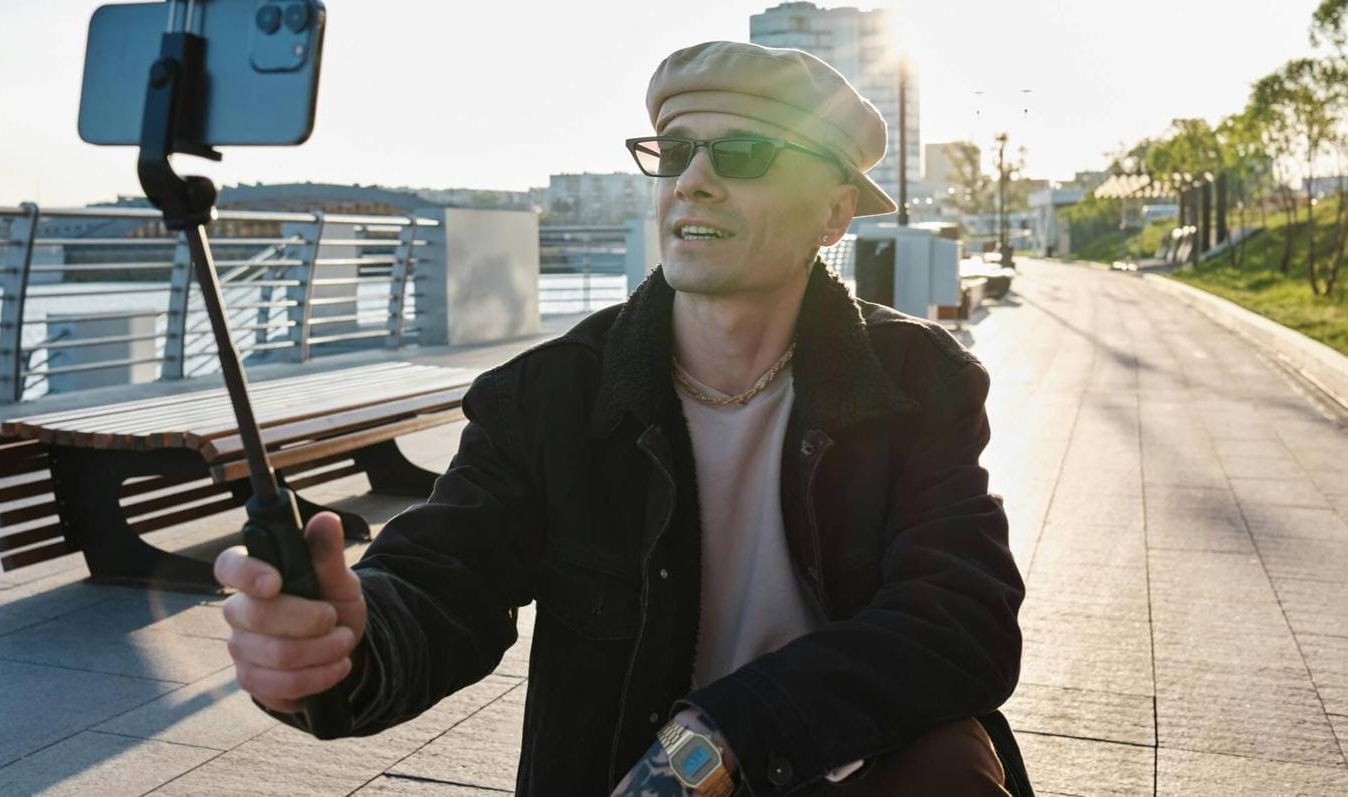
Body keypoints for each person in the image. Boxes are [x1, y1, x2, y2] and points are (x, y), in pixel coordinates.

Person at [215, 40, 1025, 796]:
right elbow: (441, 580)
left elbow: (963, 616)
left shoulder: (917, 383)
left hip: (833, 769)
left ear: (835, 213)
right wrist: (349, 642)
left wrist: (725, 734)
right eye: (674, 153)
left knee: (953, 762)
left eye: (742, 154)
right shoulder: (550, 397)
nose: (694, 181)